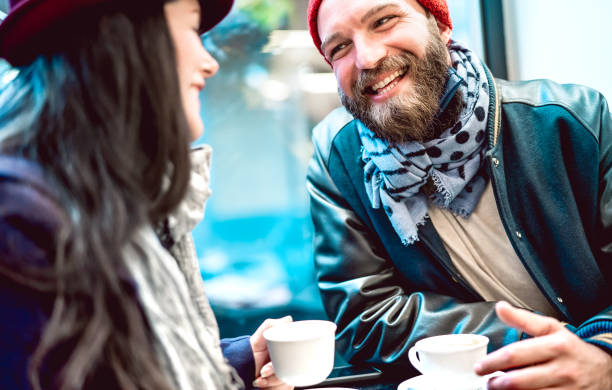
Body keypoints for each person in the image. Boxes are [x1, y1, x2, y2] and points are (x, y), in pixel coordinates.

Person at [305, 0, 612, 389]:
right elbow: (365, 318)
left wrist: (601, 353)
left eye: (384, 21)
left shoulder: (571, 119)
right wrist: (531, 343)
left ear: (440, 25)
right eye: (339, 48)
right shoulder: (340, 158)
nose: (366, 58)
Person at [0, 0, 291, 389]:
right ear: (119, 38)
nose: (210, 62)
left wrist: (241, 359)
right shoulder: (23, 228)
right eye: (191, 29)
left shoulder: (107, 205)